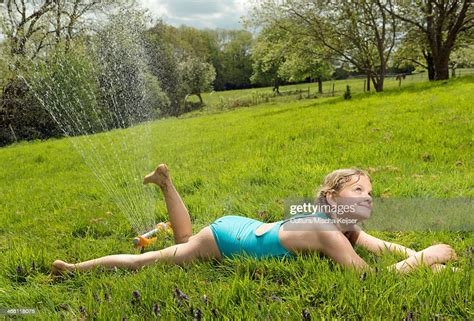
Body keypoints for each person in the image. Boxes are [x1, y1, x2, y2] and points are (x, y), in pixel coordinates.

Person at [51, 164, 458, 275]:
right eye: (358, 192)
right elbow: (370, 276)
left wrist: (416, 253)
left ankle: (164, 183)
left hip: (243, 224)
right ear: (331, 198)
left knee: (186, 236)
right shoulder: (322, 228)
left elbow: (383, 248)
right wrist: (431, 255)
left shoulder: (342, 225)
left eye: (370, 194)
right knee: (154, 258)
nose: (368, 198)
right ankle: (73, 268)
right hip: (228, 240)